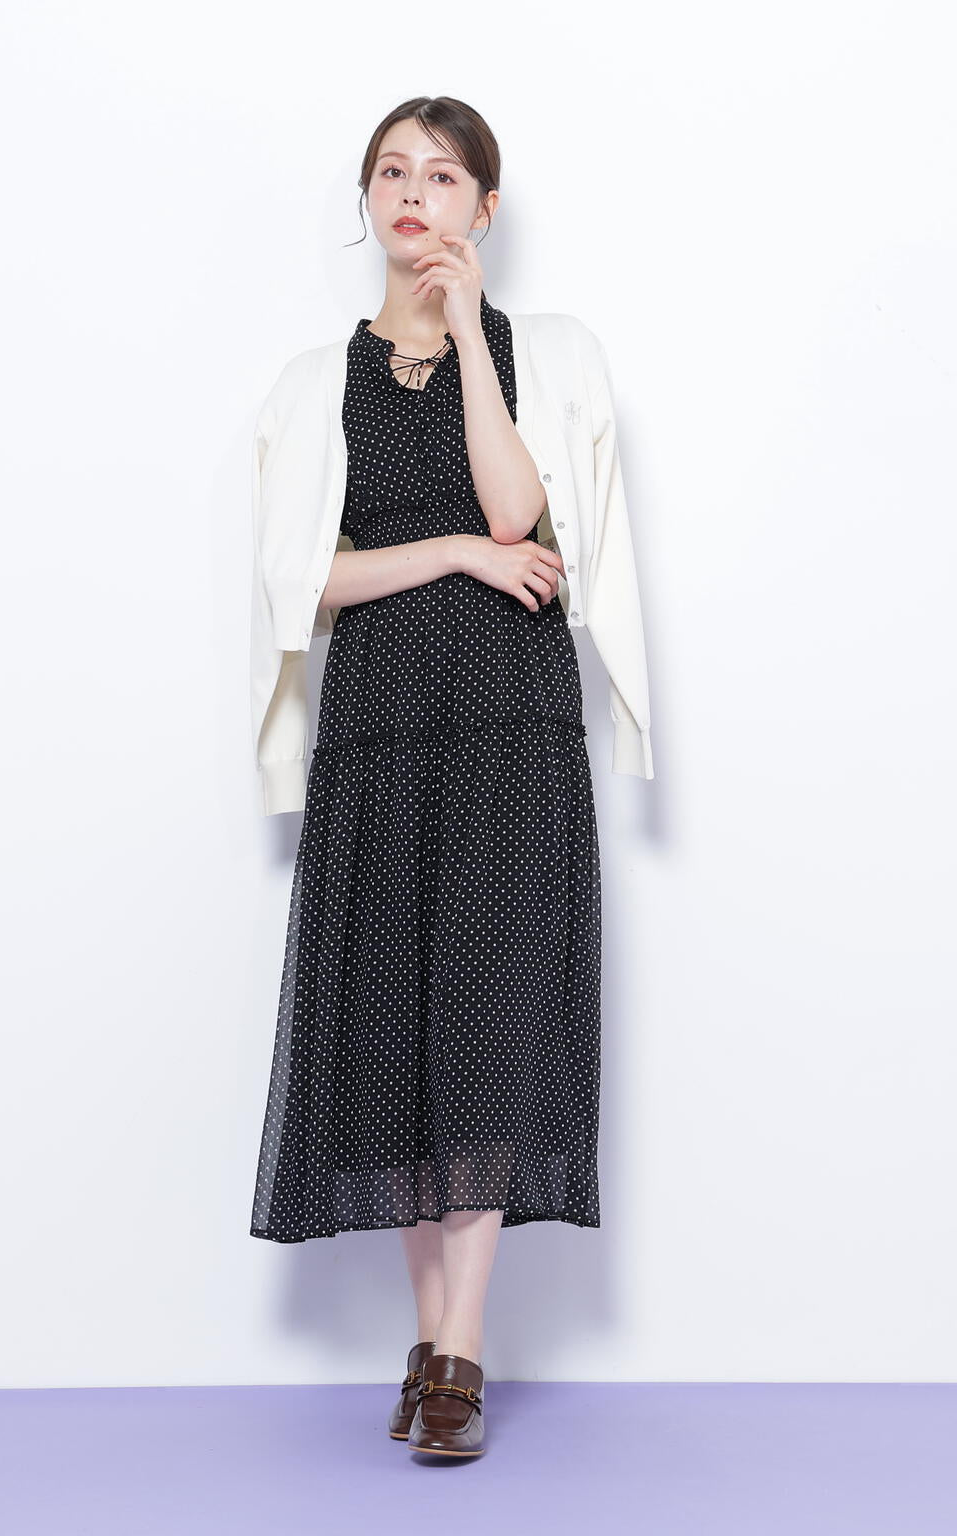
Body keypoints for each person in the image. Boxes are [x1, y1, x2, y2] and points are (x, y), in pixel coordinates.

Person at [247, 97, 654, 1459]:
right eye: (391, 172)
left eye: (442, 175)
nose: (412, 193)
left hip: (508, 732)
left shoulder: (546, 354)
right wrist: (460, 560)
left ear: (485, 207)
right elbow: (303, 581)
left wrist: (471, 332)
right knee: (399, 1041)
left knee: (485, 1028)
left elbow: (517, 509)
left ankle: (459, 1349)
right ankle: (432, 1347)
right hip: (380, 732)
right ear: (368, 200)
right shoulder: (318, 381)